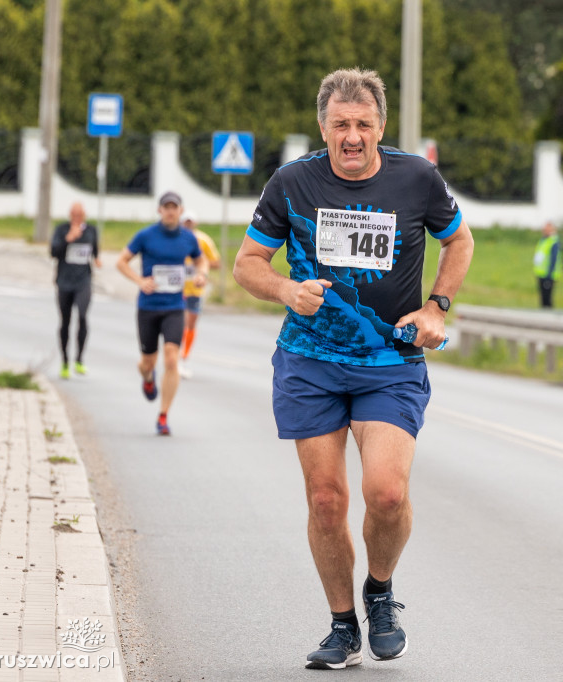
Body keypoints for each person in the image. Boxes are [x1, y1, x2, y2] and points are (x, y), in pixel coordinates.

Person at [233, 68, 474, 670]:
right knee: (324, 499)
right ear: (323, 127)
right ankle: (343, 626)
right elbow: (246, 264)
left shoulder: (416, 178)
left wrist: (436, 305)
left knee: (387, 495)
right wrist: (286, 290)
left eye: (363, 124)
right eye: (340, 125)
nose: (352, 136)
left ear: (381, 128)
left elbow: (460, 240)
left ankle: (381, 592)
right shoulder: (291, 183)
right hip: (310, 362)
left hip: (390, 360)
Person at [116, 191, 208, 436]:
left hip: (175, 307)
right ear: (159, 211)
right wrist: (139, 281)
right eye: (166, 207)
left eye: (174, 207)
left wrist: (201, 275)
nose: (170, 211)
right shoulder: (146, 235)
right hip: (148, 307)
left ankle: (163, 415)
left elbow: (202, 261)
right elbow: (121, 261)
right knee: (147, 361)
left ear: (180, 210)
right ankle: (148, 378)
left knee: (170, 359)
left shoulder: (188, 238)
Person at [50, 202, 101, 378]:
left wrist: (97, 259)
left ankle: (79, 359)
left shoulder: (91, 230)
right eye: (74, 214)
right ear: (70, 214)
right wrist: (68, 239)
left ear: (84, 215)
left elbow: (94, 249)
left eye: (80, 214)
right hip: (64, 282)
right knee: (65, 321)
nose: (77, 217)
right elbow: (53, 252)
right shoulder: (62, 229)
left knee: (82, 315)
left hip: (83, 281)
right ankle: (65, 361)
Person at [178, 210, 221, 379]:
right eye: (185, 222)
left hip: (196, 289)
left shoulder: (203, 240)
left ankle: (184, 357)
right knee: (178, 322)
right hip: (178, 288)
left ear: (195, 223)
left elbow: (216, 263)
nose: (188, 225)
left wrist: (200, 264)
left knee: (190, 324)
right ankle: (175, 358)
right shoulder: (176, 238)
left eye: (191, 222)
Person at [533, 220, 563, 308]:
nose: (544, 231)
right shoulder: (544, 240)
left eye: (546, 229)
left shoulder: (553, 242)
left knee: (547, 299)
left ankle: (549, 317)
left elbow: (553, 260)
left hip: (548, 274)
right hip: (541, 273)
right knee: (543, 298)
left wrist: (549, 275)